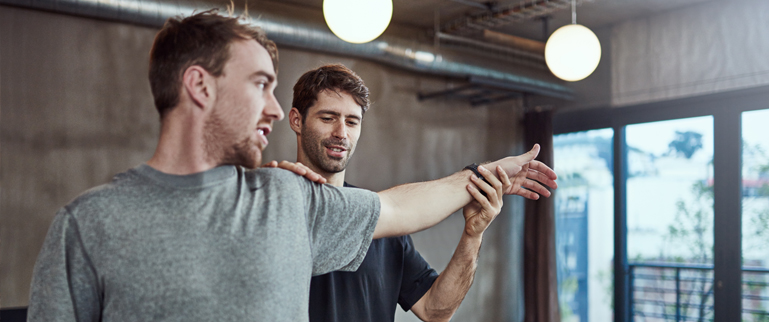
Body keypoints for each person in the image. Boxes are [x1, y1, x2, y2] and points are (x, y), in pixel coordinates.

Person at [26, 10, 558, 322]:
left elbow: (400, 207)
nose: (275, 109)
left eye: (353, 121)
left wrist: (484, 177)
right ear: (199, 85)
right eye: (260, 84)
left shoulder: (288, 200)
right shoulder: (86, 227)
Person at [289, 64, 503, 322]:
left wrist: (473, 235)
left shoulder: (380, 220)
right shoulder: (275, 207)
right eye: (328, 118)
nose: (341, 133)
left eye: (352, 121)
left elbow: (435, 310)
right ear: (297, 120)